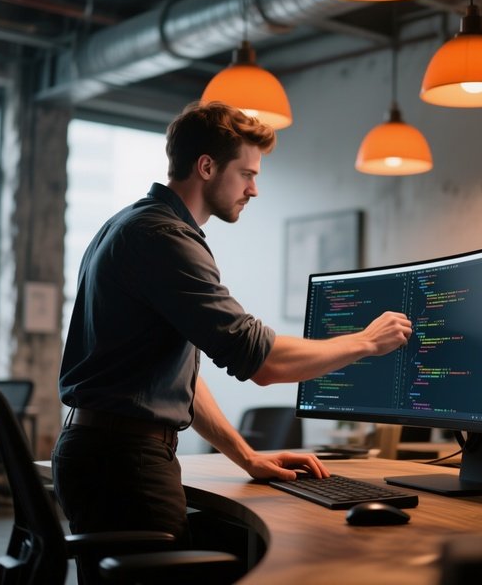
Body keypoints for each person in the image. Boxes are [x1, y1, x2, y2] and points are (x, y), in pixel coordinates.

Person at [52, 101, 412, 579]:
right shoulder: (163, 237)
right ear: (206, 166)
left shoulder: (131, 225)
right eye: (246, 173)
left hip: (107, 451)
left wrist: (247, 456)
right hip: (124, 463)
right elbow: (260, 361)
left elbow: (174, 379)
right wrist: (365, 342)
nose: (254, 189)